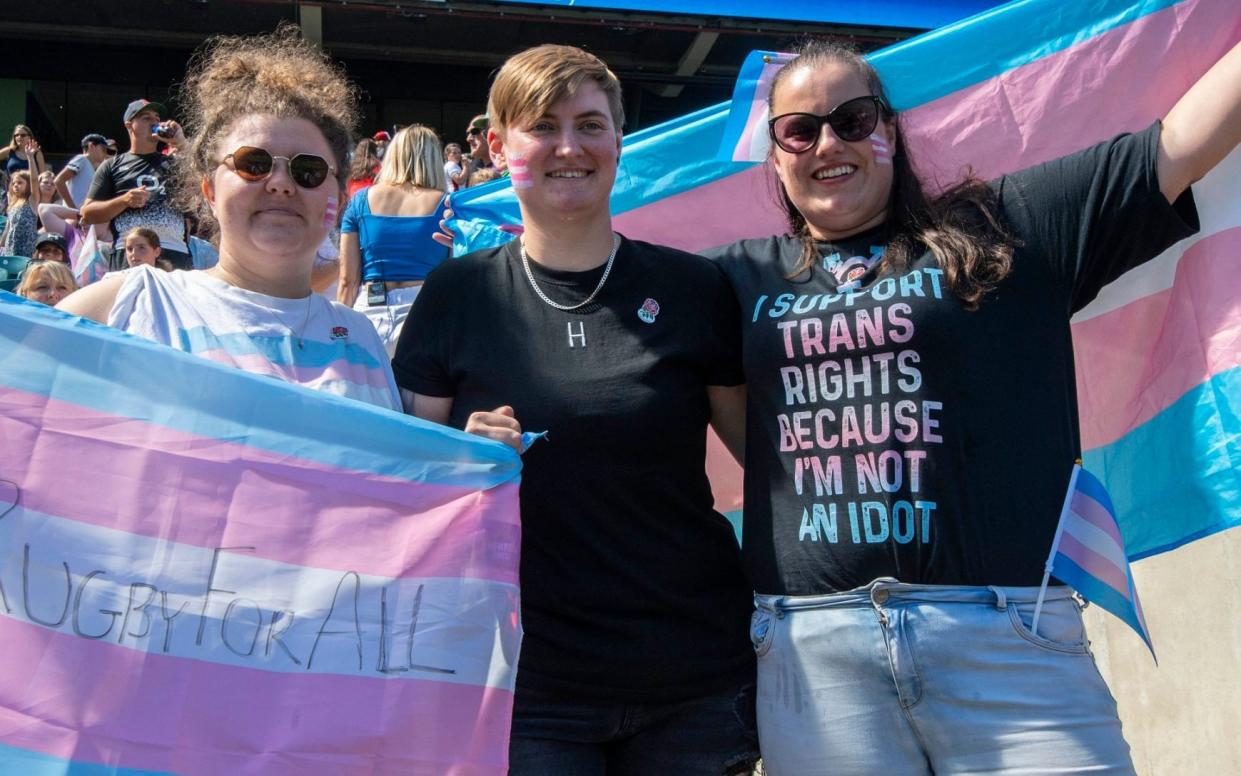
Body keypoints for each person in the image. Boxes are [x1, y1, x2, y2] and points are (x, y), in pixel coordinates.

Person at [702, 39, 1241, 775]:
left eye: (852, 119)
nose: (827, 142)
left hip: (1007, 642)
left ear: (888, 132)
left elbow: (1179, 144)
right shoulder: (731, 282)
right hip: (815, 661)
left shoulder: (1004, 227)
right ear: (774, 156)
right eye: (799, 130)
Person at [392, 44, 757, 776]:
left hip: (693, 678)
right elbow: (399, 491)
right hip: (526, 686)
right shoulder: (455, 296)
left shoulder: (695, 288)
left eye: (590, 124)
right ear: (498, 147)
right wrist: (460, 460)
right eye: (541, 126)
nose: (568, 147)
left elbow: (772, 462)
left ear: (619, 140)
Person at [58, 27, 400, 412]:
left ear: (337, 199)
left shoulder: (363, 339)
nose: (282, 184)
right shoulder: (131, 303)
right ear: (209, 190)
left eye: (309, 170)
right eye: (253, 164)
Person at [338, 124, 448, 355]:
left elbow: (348, 280)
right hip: (427, 312)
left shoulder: (360, 201)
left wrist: (336, 332)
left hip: (369, 309)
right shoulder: (448, 205)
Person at [81, 98, 193, 270]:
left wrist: (182, 143)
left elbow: (205, 185)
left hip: (174, 253)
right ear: (129, 125)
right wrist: (124, 201)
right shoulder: (112, 165)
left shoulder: (175, 163)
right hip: (128, 254)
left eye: (157, 118)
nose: (154, 122)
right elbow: (88, 214)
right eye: (146, 118)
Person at [55, 133, 110, 211]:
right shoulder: (82, 159)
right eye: (103, 149)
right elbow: (59, 181)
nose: (105, 153)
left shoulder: (92, 168)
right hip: (73, 217)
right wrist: (72, 209)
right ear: (91, 146)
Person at [2, 169, 41, 257]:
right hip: (10, 248)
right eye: (14, 183)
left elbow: (34, 180)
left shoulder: (32, 201)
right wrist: (1, 244)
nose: (15, 185)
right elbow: (8, 229)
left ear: (29, 185)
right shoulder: (13, 204)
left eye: (20, 183)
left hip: (27, 250)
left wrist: (30, 157)